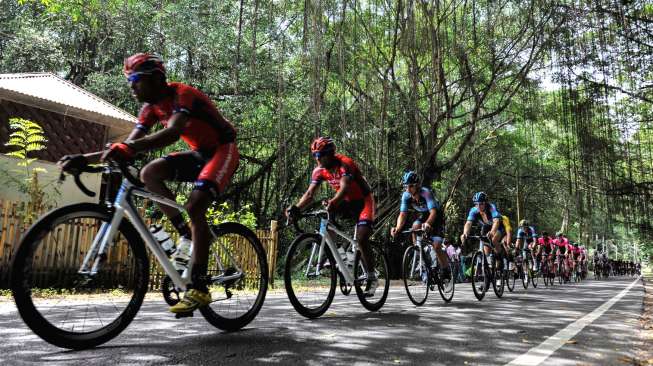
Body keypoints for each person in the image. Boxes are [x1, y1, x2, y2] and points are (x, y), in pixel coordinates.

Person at [59, 53, 239, 314]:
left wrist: (126, 147)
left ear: (156, 78)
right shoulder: (149, 109)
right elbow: (128, 146)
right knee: (149, 172)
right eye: (129, 81)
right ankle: (185, 232)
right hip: (201, 152)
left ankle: (199, 287)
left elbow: (173, 132)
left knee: (195, 205)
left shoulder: (182, 94)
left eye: (135, 80)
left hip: (223, 149)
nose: (131, 86)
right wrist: (83, 159)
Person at [285, 137, 378, 296]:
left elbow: (344, 188)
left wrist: (333, 202)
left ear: (330, 154)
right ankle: (339, 254)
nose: (318, 159)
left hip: (363, 201)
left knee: (362, 239)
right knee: (326, 217)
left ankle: (371, 277)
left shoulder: (345, 164)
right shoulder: (319, 170)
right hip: (345, 202)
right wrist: (296, 208)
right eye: (315, 155)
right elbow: (309, 194)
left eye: (320, 155)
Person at [390, 171, 450, 279]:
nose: (408, 189)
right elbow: (402, 214)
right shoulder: (406, 196)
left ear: (417, 185)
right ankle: (418, 250)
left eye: (411, 186)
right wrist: (397, 228)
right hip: (424, 214)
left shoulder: (426, 193)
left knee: (436, 246)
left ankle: (446, 270)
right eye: (406, 186)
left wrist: (427, 224)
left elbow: (433, 212)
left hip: (436, 216)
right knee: (415, 227)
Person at [460, 192, 506, 268]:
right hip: (486, 227)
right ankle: (487, 271)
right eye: (476, 204)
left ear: (486, 203)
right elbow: (468, 223)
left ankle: (499, 257)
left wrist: (492, 232)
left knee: (494, 240)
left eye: (481, 203)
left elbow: (496, 222)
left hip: (498, 226)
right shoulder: (473, 210)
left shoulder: (491, 207)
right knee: (486, 251)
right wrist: (465, 234)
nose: (478, 206)